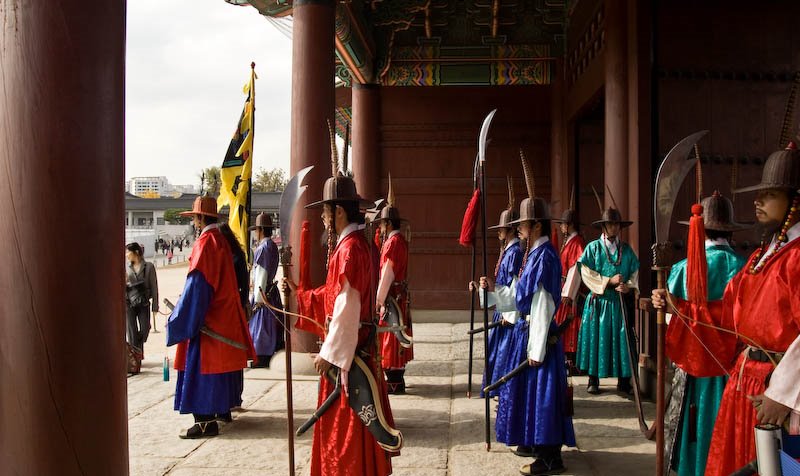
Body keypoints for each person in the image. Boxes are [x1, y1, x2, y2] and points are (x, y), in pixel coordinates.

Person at [652, 143, 800, 476]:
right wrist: (679, 306)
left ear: (796, 200)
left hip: (776, 389)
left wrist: (785, 394)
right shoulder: (761, 256)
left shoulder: (796, 257)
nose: (757, 201)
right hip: (744, 382)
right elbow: (726, 315)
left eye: (770, 194)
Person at [283, 158, 400, 476]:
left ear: (338, 212)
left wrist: (329, 354)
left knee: (344, 439)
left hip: (348, 361)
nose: (322, 219)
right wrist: (301, 293)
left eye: (324, 212)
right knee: (357, 433)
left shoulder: (348, 250)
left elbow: (346, 306)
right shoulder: (359, 245)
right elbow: (336, 297)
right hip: (360, 352)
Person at [478, 156, 575, 475]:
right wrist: (490, 293)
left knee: (544, 399)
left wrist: (535, 347)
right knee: (534, 398)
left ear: (536, 226)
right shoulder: (533, 255)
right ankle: (539, 448)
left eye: (522, 224)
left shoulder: (544, 257)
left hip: (540, 337)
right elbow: (517, 295)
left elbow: (542, 303)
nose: (518, 230)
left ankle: (549, 457)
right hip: (532, 336)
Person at [653, 192, 748, 476]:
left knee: (692, 425)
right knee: (723, 428)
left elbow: (673, 321)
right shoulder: (744, 269)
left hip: (693, 369)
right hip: (731, 370)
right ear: (729, 229)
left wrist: (670, 302)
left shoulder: (682, 269)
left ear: (699, 229)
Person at [166, 196, 255, 439]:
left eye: (195, 217)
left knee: (200, 367)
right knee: (221, 367)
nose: (194, 222)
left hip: (209, 318)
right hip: (225, 313)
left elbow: (198, 285)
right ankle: (220, 410)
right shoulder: (223, 241)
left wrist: (182, 317)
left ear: (199, 218)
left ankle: (205, 422)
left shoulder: (205, 243)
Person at [576, 198, 639, 395]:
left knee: (622, 339)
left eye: (617, 224)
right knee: (596, 339)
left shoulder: (627, 250)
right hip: (599, 302)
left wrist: (628, 286)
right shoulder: (593, 248)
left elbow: (635, 272)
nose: (614, 228)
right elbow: (585, 271)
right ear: (603, 226)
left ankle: (623, 380)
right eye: (610, 224)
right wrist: (608, 281)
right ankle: (593, 379)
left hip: (619, 303)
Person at [473, 176, 523, 399]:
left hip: (507, 313)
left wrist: (510, 313)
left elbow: (515, 287)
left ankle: (503, 392)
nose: (499, 232)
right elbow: (501, 285)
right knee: (497, 354)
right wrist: (485, 288)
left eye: (502, 229)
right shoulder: (508, 252)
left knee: (505, 354)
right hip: (501, 309)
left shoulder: (514, 253)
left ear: (510, 230)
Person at [376, 176, 414, 394]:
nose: (380, 229)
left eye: (381, 224)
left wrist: (378, 300)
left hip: (393, 296)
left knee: (392, 334)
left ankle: (394, 381)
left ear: (387, 224)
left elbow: (387, 274)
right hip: (400, 294)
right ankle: (395, 379)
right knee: (396, 333)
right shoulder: (400, 241)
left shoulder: (392, 243)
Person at [552, 207, 586, 372]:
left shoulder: (577, 242)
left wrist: (568, 293)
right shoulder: (569, 241)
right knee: (561, 321)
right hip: (563, 285)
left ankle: (572, 360)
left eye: (563, 224)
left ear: (570, 225)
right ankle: (565, 357)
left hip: (569, 289)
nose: (561, 227)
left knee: (569, 322)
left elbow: (576, 268)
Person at [248, 212, 280, 368]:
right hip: (271, 290)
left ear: (260, 230)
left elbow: (261, 273)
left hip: (263, 292)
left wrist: (257, 299)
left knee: (260, 326)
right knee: (269, 325)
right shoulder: (272, 245)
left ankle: (260, 355)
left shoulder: (263, 248)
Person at [125, 242, 159, 374]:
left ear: (136, 253)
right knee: (132, 331)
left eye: (128, 252)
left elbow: (154, 286)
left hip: (144, 303)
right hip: (129, 303)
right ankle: (135, 358)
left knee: (145, 328)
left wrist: (155, 305)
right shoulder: (126, 268)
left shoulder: (149, 267)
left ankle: (137, 349)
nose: (127, 255)